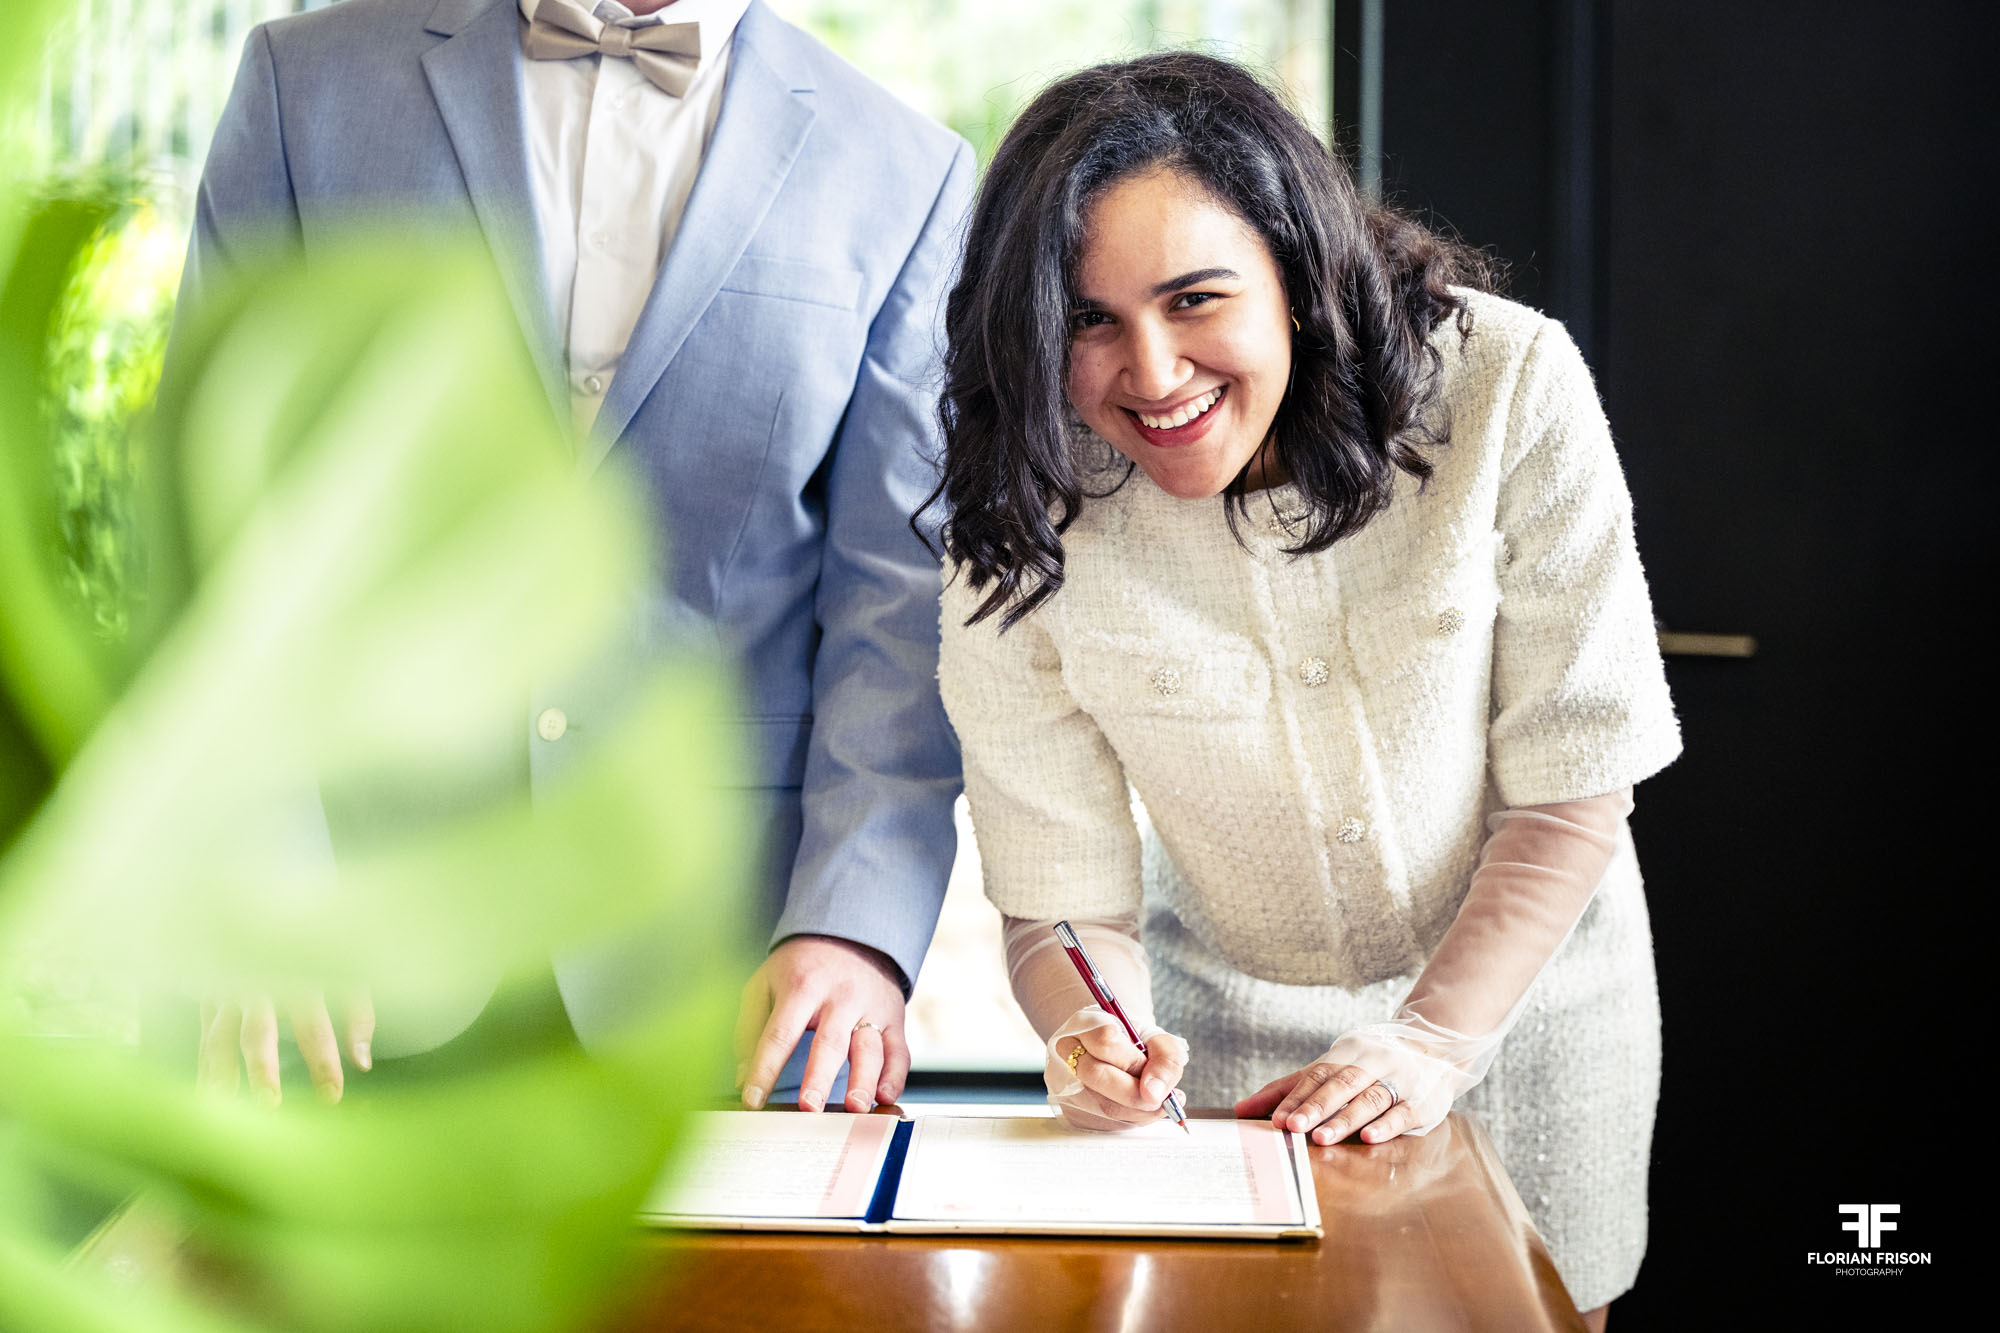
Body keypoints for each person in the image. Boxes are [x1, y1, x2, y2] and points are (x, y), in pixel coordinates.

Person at [929, 52, 1679, 1325]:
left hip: (1532, 1015)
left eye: (1193, 300)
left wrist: (1430, 1043)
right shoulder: (1025, 504)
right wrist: (1083, 1034)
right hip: (1230, 1049)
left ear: (1296, 270)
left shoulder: (1506, 385)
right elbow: (1056, 896)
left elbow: (1568, 793)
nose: (1151, 373)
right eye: (1088, 322)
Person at [174, 0, 970, 1115]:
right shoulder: (299, 86)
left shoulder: (903, 170)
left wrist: (854, 930)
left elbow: (897, 609)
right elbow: (211, 515)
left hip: (724, 976)